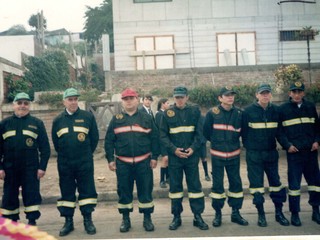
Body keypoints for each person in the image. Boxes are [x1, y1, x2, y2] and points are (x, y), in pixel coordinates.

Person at [105, 88, 160, 233]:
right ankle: (125, 219)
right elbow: (109, 141)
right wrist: (110, 159)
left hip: (144, 162)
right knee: (124, 192)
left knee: (145, 191)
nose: (128, 101)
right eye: (125, 99)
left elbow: (155, 138)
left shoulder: (146, 118)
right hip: (123, 163)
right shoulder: (116, 119)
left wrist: (154, 157)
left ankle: (147, 219)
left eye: (131, 98)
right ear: (122, 102)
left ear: (137, 100)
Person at [52, 88, 99, 236]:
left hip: (84, 162)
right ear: (64, 101)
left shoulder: (87, 117)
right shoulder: (58, 120)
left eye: (75, 99)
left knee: (87, 191)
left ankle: (88, 220)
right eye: (70, 99)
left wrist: (85, 154)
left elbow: (94, 139)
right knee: (67, 192)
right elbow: (56, 142)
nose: (73, 102)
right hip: (65, 163)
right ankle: (68, 222)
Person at [160, 86, 208, 231]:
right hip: (175, 157)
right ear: (174, 98)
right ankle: (176, 217)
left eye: (182, 97)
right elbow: (162, 135)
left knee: (195, 187)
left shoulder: (195, 111)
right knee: (175, 188)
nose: (179, 100)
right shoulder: (167, 114)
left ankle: (197, 216)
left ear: (187, 97)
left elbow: (200, 134)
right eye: (177, 97)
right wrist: (174, 150)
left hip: (191, 156)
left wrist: (193, 149)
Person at [241, 83, 289, 227]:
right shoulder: (248, 111)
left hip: (271, 154)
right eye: (262, 93)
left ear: (271, 95)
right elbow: (243, 133)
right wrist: (250, 148)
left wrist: (287, 145)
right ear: (257, 95)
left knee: (276, 184)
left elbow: (280, 131)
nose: (265, 95)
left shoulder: (276, 110)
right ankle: (261, 214)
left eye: (267, 93)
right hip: (254, 155)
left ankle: (279, 213)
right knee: (256, 186)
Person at [0, 92, 50, 226]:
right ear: (14, 105)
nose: (23, 106)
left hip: (31, 168)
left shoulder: (37, 123)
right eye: (20, 103)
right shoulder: (4, 124)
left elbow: (45, 148)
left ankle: (32, 221)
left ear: (29, 106)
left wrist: (42, 167)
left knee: (31, 195)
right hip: (10, 168)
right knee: (9, 196)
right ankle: (12, 222)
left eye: (26, 103)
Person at [203, 86, 248, 228]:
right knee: (217, 186)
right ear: (220, 98)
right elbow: (206, 132)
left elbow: (243, 132)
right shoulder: (212, 113)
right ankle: (218, 214)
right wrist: (217, 143)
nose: (230, 97)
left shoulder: (240, 113)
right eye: (227, 95)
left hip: (234, 156)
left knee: (236, 184)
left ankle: (236, 213)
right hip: (217, 156)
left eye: (232, 95)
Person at [278, 81, 320, 226]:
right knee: (294, 186)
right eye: (294, 92)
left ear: (303, 93)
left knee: (315, 183)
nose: (297, 95)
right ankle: (295, 214)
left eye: (299, 92)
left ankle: (316, 211)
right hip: (294, 154)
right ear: (289, 93)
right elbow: (280, 131)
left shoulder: (310, 106)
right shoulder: (283, 109)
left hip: (311, 152)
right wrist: (287, 145)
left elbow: (318, 128)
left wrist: (317, 141)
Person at [155, 98, 170, 188]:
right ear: (162, 104)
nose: (169, 105)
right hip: (162, 140)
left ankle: (168, 178)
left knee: (168, 160)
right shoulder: (159, 114)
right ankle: (161, 180)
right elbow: (160, 129)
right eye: (167, 103)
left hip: (168, 140)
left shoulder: (165, 113)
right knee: (165, 159)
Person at [199, 114, 210, 182]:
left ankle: (206, 174)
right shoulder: (190, 117)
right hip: (192, 143)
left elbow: (206, 129)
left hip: (202, 141)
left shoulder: (203, 118)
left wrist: (204, 139)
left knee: (204, 158)